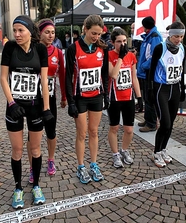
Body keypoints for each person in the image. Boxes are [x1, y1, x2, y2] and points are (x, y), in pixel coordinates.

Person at [0, 15, 53, 208]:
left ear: (30, 31)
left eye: (20, 30)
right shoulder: (9, 48)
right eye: (14, 30)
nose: (16, 34)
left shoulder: (40, 49)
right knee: (17, 150)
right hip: (14, 106)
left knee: (36, 149)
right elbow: (4, 78)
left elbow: (44, 81)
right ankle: (18, 188)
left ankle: (36, 186)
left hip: (35, 106)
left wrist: (46, 108)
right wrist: (12, 103)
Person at [65, 14, 109, 184]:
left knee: (94, 131)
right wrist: (71, 102)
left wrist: (105, 95)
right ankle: (81, 166)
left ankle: (94, 164)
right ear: (85, 29)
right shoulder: (73, 49)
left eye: (99, 34)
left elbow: (104, 73)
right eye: (94, 33)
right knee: (82, 133)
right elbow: (68, 76)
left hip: (96, 95)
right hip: (80, 97)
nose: (96, 37)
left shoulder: (102, 49)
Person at [26, 19, 66, 181]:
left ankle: (51, 159)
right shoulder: (31, 50)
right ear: (40, 33)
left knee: (51, 132)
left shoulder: (57, 53)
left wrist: (63, 97)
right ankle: (31, 167)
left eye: (53, 33)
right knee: (32, 135)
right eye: (47, 32)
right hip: (33, 98)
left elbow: (62, 76)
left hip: (49, 98)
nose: (50, 36)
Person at [148, 22, 186, 168]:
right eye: (176, 36)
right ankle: (156, 152)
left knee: (171, 124)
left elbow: (182, 69)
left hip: (175, 87)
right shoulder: (160, 48)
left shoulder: (182, 48)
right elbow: (151, 70)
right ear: (170, 35)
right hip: (161, 88)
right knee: (165, 123)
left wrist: (182, 88)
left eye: (181, 36)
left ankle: (163, 150)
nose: (178, 39)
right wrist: (150, 90)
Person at [107, 27, 142, 168]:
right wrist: (120, 57)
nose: (122, 44)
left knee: (129, 129)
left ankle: (124, 150)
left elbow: (134, 77)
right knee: (114, 128)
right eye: (118, 42)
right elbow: (113, 74)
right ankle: (115, 154)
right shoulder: (109, 55)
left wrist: (139, 97)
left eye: (124, 41)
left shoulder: (131, 56)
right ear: (112, 42)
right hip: (114, 98)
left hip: (128, 98)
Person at [137, 16, 163, 132]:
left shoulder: (154, 37)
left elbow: (154, 56)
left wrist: (143, 66)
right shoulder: (149, 37)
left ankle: (151, 123)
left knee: (150, 98)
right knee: (147, 97)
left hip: (149, 72)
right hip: (145, 71)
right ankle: (148, 120)